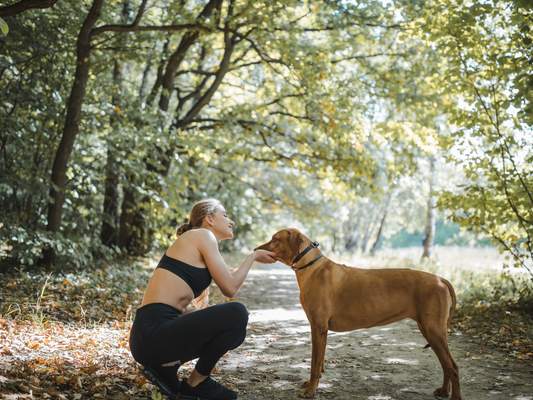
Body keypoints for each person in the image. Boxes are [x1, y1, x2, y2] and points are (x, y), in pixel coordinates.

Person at [129, 198, 276, 400]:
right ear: (209, 219)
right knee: (237, 313)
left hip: (148, 339)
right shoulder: (202, 235)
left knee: (237, 327)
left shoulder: (196, 240)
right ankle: (196, 382)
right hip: (151, 334)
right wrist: (253, 256)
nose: (231, 221)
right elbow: (230, 288)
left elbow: (175, 310)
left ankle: (168, 364)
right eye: (225, 215)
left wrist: (219, 317)